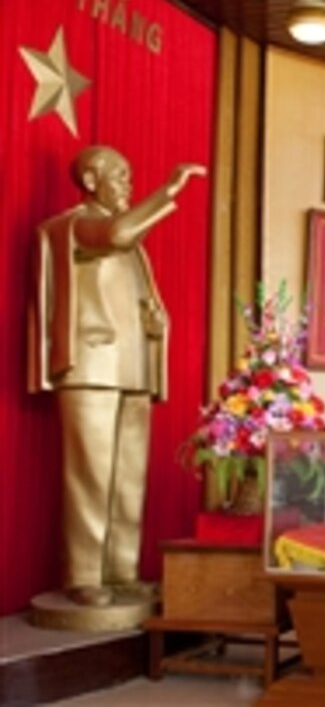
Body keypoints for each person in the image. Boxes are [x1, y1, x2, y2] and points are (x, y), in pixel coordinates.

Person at [28, 145, 205, 607]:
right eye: (120, 176)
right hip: (90, 363)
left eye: (130, 176)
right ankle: (84, 574)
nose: (128, 184)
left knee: (129, 476)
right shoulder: (75, 226)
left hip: (132, 365)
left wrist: (154, 320)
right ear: (90, 181)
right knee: (90, 475)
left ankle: (122, 570)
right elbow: (119, 233)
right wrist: (168, 190)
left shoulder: (129, 246)